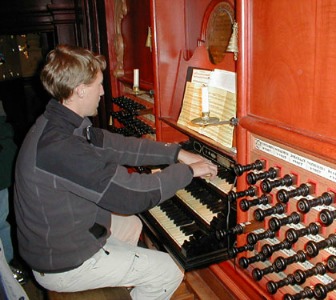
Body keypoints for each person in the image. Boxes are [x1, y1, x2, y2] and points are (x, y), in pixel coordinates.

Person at [13, 44, 218, 299]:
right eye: (98, 84)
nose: (102, 92)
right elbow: (131, 196)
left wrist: (175, 152)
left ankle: (123, 283)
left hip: (62, 235)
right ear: (79, 90)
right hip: (62, 262)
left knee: (131, 225)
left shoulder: (61, 122)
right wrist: (186, 171)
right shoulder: (61, 148)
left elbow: (117, 145)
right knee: (169, 269)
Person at [0, 100, 28, 285]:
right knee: (3, 222)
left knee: (4, 222)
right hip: (4, 162)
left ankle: (9, 268)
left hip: (5, 161)